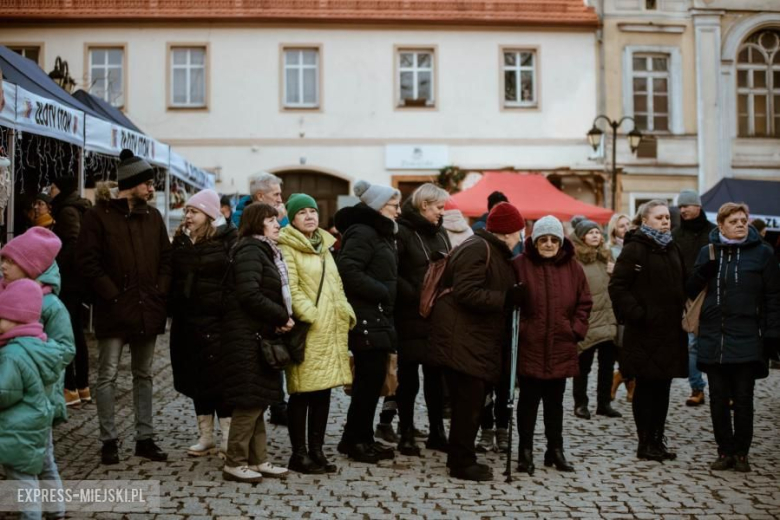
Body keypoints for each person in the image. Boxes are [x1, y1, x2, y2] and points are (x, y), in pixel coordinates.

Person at [78, 149, 171, 465]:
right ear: (132, 183)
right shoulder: (97, 216)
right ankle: (109, 441)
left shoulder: (153, 216)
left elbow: (166, 260)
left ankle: (144, 438)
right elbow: (88, 263)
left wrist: (160, 291)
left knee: (143, 374)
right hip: (113, 309)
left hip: (147, 307)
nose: (151, 189)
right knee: (107, 376)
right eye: (147, 183)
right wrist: (112, 295)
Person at [429, 202, 523, 481]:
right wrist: (506, 299)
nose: (521, 235)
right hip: (462, 339)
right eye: (519, 230)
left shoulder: (490, 249)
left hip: (471, 338)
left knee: (469, 403)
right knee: (467, 404)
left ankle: (461, 456)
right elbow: (466, 293)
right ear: (508, 232)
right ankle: (461, 463)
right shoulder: (478, 249)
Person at [686, 202, 780, 472]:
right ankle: (724, 450)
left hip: (748, 336)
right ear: (721, 225)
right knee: (717, 398)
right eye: (734, 220)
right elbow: (691, 289)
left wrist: (772, 333)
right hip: (714, 337)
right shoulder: (709, 252)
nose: (740, 224)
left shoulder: (763, 254)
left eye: (744, 220)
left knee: (743, 398)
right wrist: (705, 270)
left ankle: (741, 452)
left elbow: (774, 296)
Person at [278, 193, 355, 474]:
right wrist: (311, 314)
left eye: (313, 211)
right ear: (292, 218)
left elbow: (336, 284)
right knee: (302, 392)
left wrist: (345, 310)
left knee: (323, 392)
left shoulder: (324, 245)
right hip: (309, 329)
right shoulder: (287, 245)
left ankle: (317, 451)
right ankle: (299, 455)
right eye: (302, 213)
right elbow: (291, 288)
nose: (310, 216)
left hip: (330, 329)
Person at [609, 199, 687, 463]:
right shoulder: (635, 249)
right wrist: (639, 314)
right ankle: (645, 442)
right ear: (645, 221)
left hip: (669, 331)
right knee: (645, 386)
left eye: (667, 217)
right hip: (643, 331)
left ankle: (657, 439)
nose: (665, 221)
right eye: (659, 217)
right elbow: (618, 287)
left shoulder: (672, 247)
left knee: (663, 387)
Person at [513, 215, 592, 475]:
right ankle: (525, 451)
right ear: (535, 241)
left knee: (555, 402)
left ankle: (554, 449)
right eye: (543, 239)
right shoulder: (519, 265)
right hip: (530, 345)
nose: (548, 244)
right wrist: (523, 329)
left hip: (561, 343)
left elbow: (584, 302)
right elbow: (510, 305)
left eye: (553, 239)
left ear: (561, 241)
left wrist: (575, 330)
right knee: (528, 401)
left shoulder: (573, 268)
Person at [219, 203, 291, 482]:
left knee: (258, 399)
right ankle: (234, 462)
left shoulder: (262, 249)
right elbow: (249, 293)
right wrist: (281, 315)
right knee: (249, 401)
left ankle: (258, 459)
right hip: (245, 336)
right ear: (256, 223)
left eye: (276, 219)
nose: (276, 224)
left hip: (256, 334)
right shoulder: (250, 249)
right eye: (271, 220)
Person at [334, 180, 401, 464]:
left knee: (372, 382)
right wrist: (382, 292)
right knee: (366, 382)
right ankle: (356, 441)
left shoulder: (380, 233)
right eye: (394, 206)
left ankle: (359, 438)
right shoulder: (363, 232)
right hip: (366, 316)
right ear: (378, 207)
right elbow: (348, 269)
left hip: (377, 315)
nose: (398, 211)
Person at [169, 189, 237, 459]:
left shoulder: (225, 240)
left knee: (219, 380)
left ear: (208, 215)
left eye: (193, 212)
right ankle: (206, 435)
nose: (187, 216)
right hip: (187, 322)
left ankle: (228, 438)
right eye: (186, 211)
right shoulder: (182, 241)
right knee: (196, 378)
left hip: (216, 321)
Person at [0, 280, 74, 520]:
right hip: (39, 422)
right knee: (46, 466)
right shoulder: (44, 346)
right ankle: (57, 511)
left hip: (18, 428)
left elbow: (5, 392)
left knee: (23, 480)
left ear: (18, 318)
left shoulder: (12, 353)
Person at [391, 183, 452, 457]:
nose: (442, 212)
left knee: (436, 377)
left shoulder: (441, 234)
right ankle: (406, 432)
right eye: (439, 207)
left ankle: (437, 431)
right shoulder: (402, 232)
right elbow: (393, 272)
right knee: (408, 378)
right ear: (425, 204)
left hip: (437, 316)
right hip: (409, 315)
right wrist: (417, 295)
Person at [231, 172, 290, 426]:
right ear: (260, 197)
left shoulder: (266, 232)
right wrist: (279, 314)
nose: (280, 198)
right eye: (276, 194)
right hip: (257, 318)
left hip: (273, 311)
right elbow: (249, 289)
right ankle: (238, 457)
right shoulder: (246, 237)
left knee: (270, 367)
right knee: (252, 389)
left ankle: (277, 405)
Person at [49, 176, 93, 407]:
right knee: (76, 332)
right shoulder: (78, 207)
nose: (50, 191)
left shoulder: (67, 210)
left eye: (53, 187)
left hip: (70, 282)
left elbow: (72, 244)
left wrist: (56, 265)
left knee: (67, 333)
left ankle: (71, 387)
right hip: (78, 281)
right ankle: (81, 386)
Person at [570, 220, 620, 420]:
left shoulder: (607, 257)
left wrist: (614, 272)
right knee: (583, 366)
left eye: (597, 233)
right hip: (588, 320)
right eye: (590, 233)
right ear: (582, 236)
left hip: (608, 319)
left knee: (607, 365)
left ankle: (604, 402)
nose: (594, 236)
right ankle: (580, 403)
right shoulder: (575, 261)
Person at [672, 189, 716, 407]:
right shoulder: (676, 234)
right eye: (680, 207)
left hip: (711, 292)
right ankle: (697, 387)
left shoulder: (713, 232)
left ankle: (723, 390)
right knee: (692, 343)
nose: (683, 210)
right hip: (687, 295)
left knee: (714, 341)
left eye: (686, 206)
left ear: (697, 206)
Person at [607, 213, 635, 402]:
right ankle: (625, 381)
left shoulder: (635, 248)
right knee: (620, 346)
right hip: (613, 306)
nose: (625, 228)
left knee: (630, 346)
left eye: (627, 224)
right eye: (621, 226)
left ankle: (622, 379)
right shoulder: (609, 250)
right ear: (614, 230)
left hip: (632, 302)